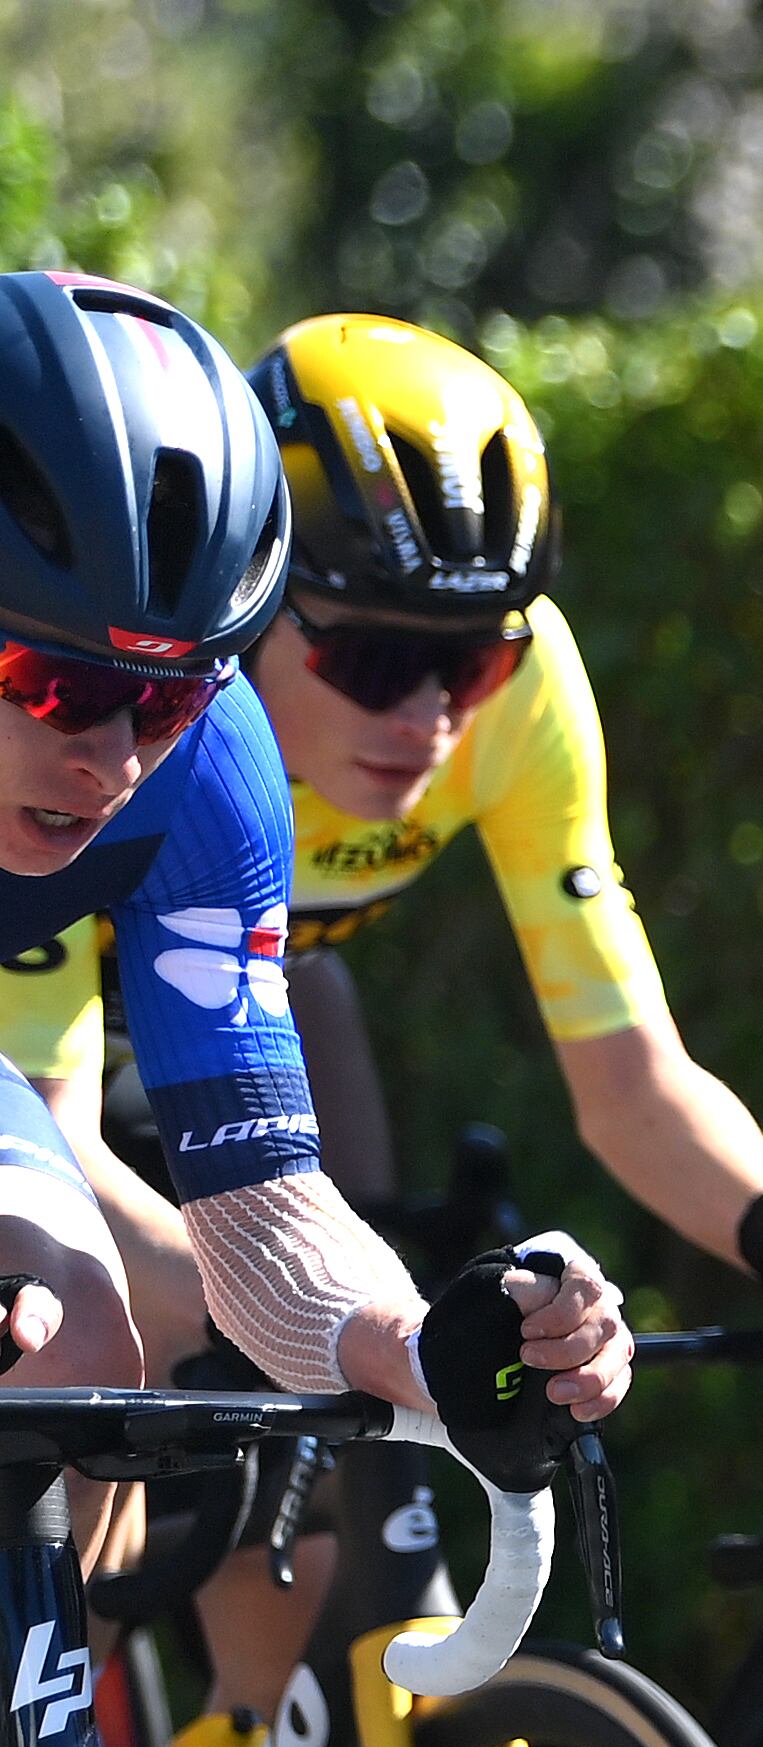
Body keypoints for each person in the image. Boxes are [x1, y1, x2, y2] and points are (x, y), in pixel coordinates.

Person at [0, 274, 629, 1654]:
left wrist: (424, 1351)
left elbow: (260, 1216)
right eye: (59, 689)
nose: (111, 760)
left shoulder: (213, 777)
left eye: (166, 694)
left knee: (85, 1358)